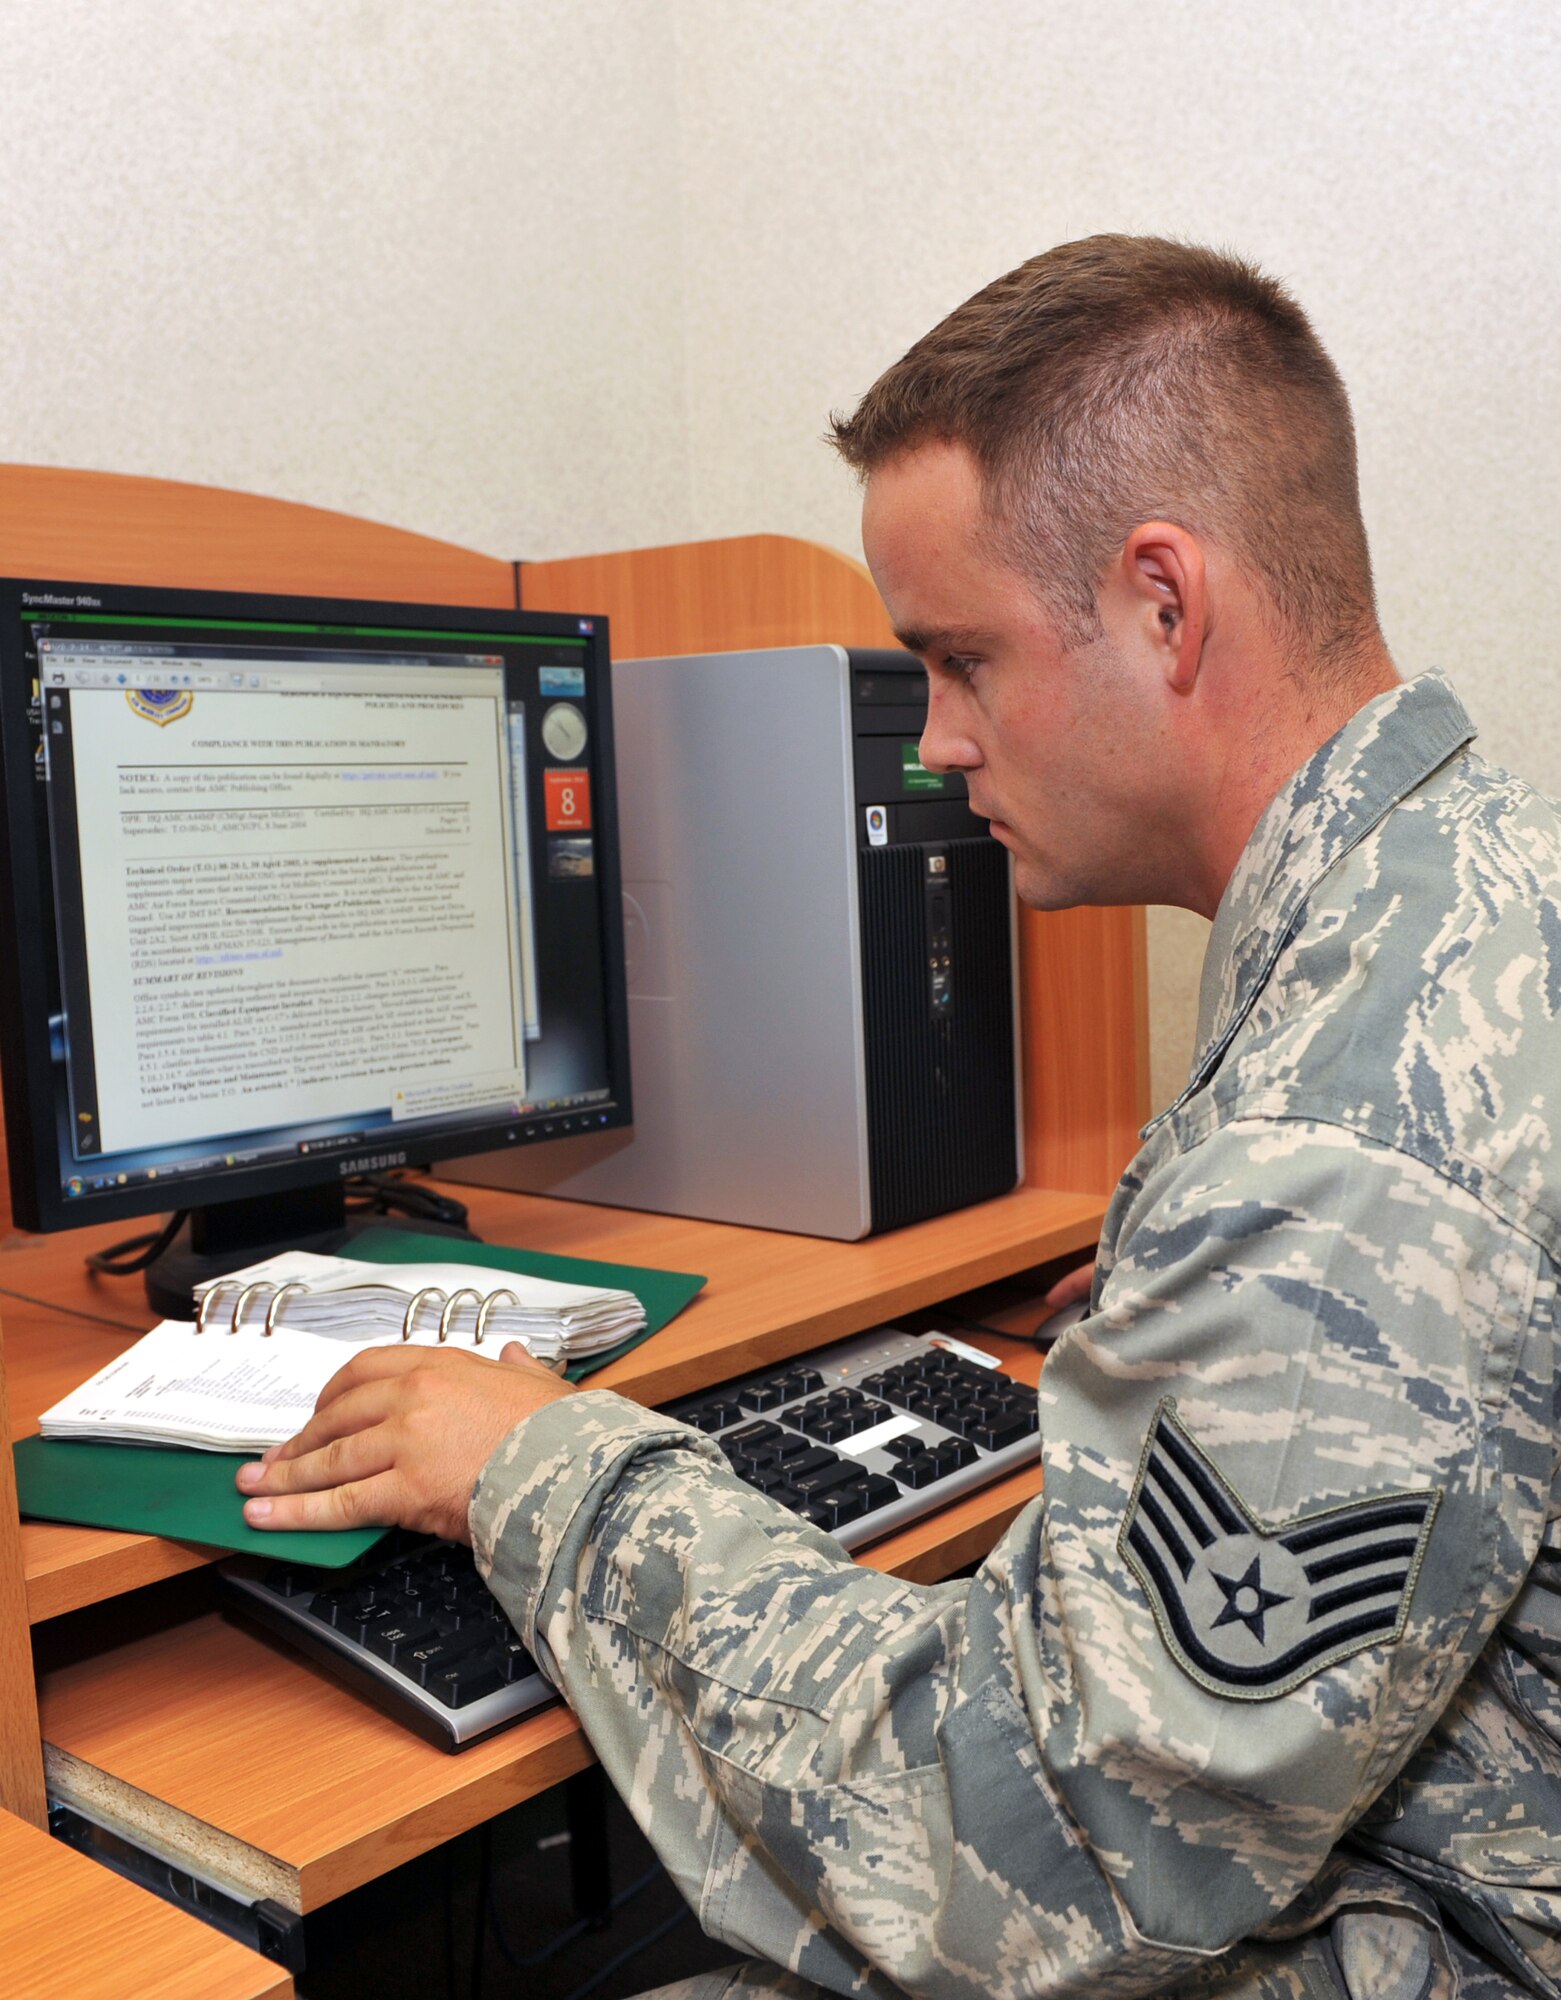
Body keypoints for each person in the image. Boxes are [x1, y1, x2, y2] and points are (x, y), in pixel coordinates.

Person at [237, 237, 1561, 1999]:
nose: (930, 744)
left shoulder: (1343, 1138)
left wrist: (534, 1467)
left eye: (959, 659)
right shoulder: (1466, 882)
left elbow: (1022, 1860)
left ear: (1165, 606)